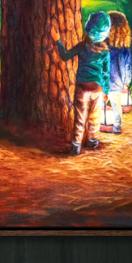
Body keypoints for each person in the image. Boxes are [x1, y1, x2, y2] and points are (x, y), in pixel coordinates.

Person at [55, 11, 114, 156]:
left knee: (80, 117)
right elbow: (106, 74)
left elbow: (65, 56)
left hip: (82, 87)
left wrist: (58, 41)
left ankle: (76, 144)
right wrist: (106, 91)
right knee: (95, 116)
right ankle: (93, 140)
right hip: (98, 89)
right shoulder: (105, 53)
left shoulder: (81, 47)